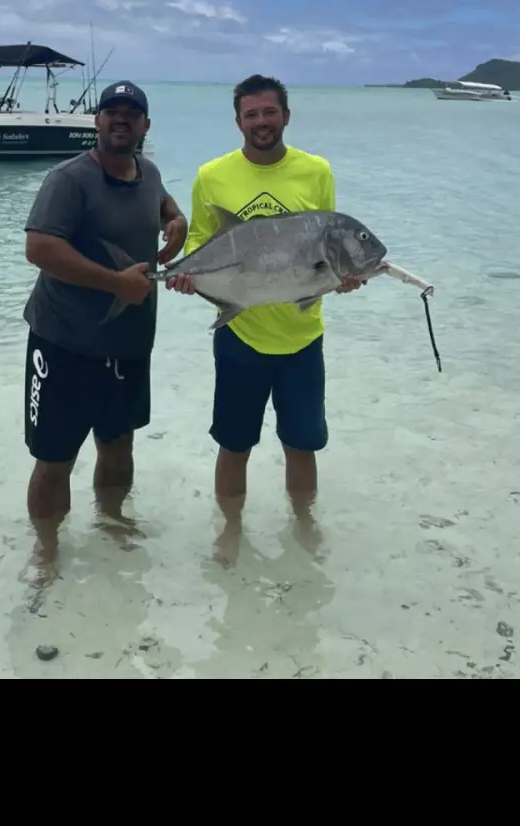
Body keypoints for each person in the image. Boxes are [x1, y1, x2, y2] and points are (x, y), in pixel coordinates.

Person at [167, 73, 362, 522]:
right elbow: (201, 243)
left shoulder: (317, 171)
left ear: (286, 116)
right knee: (233, 446)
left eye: (269, 112)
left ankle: (304, 530)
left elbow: (327, 249)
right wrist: (189, 279)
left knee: (302, 445)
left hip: (302, 338)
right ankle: (229, 532)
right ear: (238, 121)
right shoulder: (211, 176)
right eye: (251, 114)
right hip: (240, 335)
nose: (261, 122)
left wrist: (343, 277)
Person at [23, 81, 187, 553]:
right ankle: (46, 550)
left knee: (119, 447)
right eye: (111, 111)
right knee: (55, 458)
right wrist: (115, 283)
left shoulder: (148, 171)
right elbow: (39, 247)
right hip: (64, 342)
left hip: (129, 343)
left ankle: (112, 524)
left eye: (131, 113)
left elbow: (160, 201)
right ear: (96, 121)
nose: (121, 119)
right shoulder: (68, 179)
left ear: (145, 125)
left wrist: (177, 220)